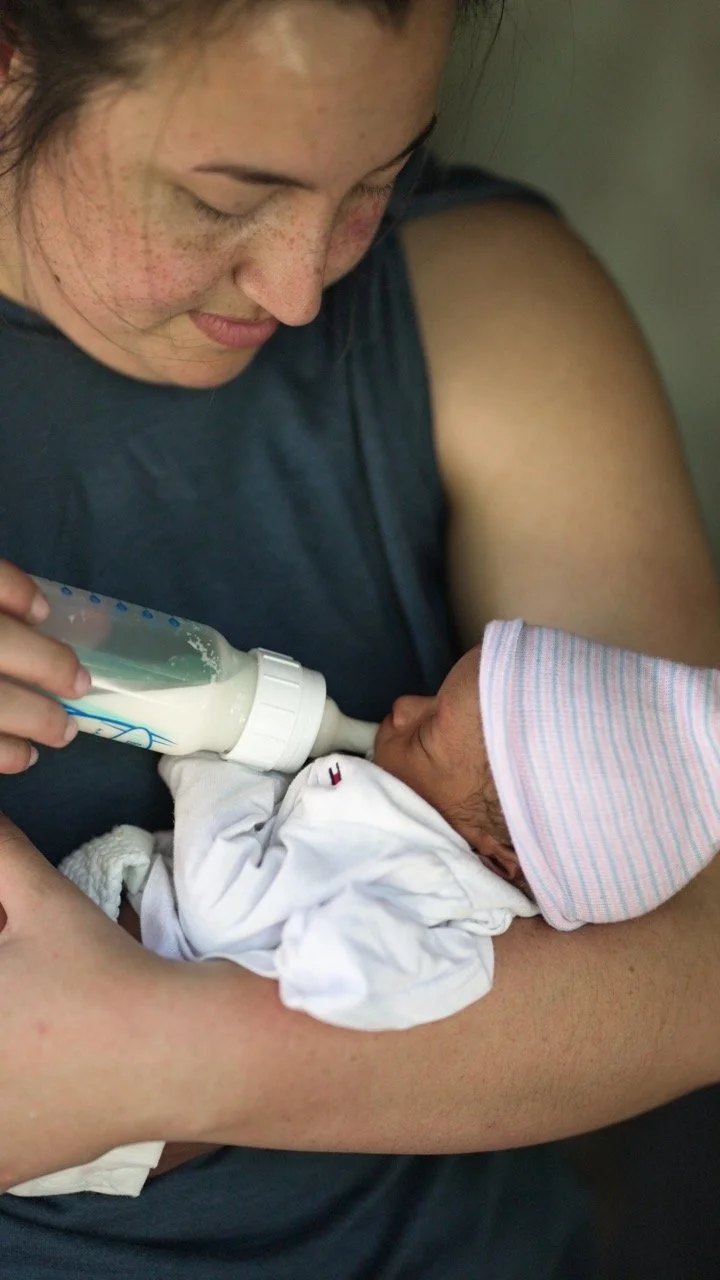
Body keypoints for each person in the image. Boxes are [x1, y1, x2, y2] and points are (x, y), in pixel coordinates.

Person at [0, 0, 718, 1275]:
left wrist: (154, 1056)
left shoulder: (489, 304)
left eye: (374, 181)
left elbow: (701, 946)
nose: (300, 282)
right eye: (224, 200)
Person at [10, 616, 719, 1201]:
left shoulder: (407, 862)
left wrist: (207, 766)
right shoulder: (456, 901)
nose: (402, 710)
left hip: (86, 1046)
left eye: (429, 734)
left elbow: (227, 912)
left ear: (497, 853)